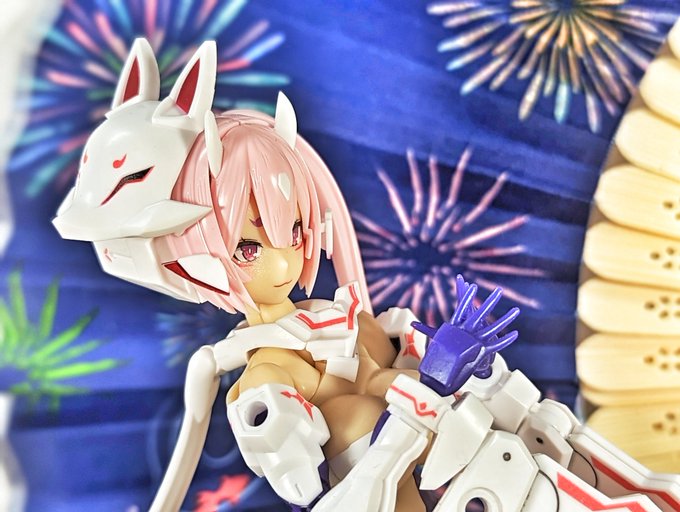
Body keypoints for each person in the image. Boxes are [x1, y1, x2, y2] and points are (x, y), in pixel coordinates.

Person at [53, 39, 680, 512]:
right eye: (248, 246)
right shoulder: (265, 384)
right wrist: (423, 397)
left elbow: (458, 397)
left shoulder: (354, 323)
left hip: (538, 474)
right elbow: (336, 496)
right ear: (180, 254)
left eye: (295, 229)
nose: (284, 259)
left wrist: (474, 372)